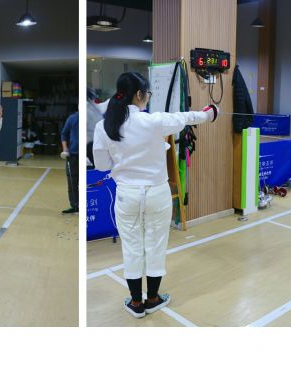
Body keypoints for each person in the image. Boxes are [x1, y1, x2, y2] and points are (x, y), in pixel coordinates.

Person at [92, 71, 218, 319]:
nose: (148, 97)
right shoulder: (153, 121)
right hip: (157, 194)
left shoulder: (103, 126)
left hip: (127, 195)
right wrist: (209, 114)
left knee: (132, 247)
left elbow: (102, 166)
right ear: (139, 94)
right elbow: (186, 117)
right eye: (147, 93)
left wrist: (123, 160)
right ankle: (152, 299)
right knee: (155, 245)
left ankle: (136, 303)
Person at [60, 110, 79, 214]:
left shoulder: (91, 117)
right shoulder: (72, 118)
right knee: (72, 182)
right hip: (73, 155)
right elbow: (64, 134)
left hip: (88, 156)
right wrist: (65, 149)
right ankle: (75, 206)